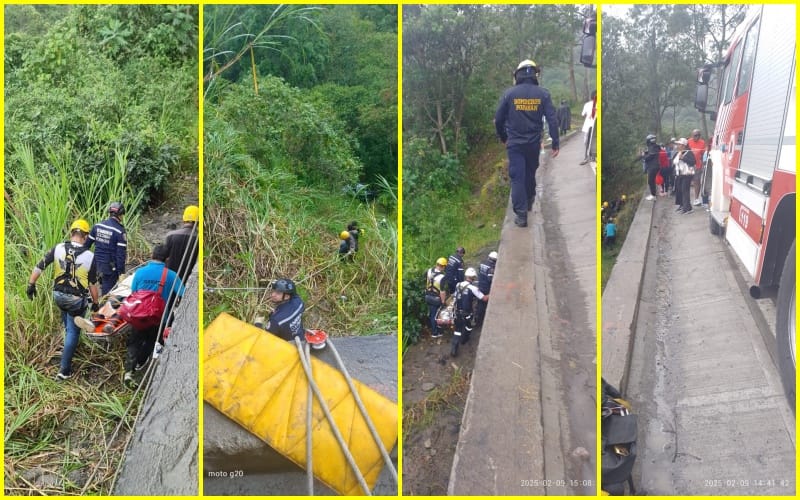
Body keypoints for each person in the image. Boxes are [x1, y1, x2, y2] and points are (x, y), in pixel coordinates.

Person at [27, 219, 99, 380]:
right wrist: (95, 303)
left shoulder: (58, 248)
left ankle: (69, 341)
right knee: (74, 330)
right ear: (86, 237)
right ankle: (64, 370)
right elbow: (93, 284)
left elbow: (40, 266)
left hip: (58, 295)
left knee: (68, 321)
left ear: (71, 233)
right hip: (76, 300)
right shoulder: (90, 256)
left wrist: (31, 284)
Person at [495, 59, 560, 228]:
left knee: (517, 177)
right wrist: (555, 143)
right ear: (535, 75)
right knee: (530, 173)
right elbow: (552, 120)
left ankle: (521, 215)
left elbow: (499, 119)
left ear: (517, 74)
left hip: (515, 144)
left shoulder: (509, 94)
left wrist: (504, 137)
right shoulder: (543, 94)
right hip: (533, 144)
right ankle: (530, 199)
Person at [124, 245, 184, 387]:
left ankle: (129, 371)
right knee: (153, 342)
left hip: (138, 315)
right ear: (167, 259)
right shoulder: (171, 275)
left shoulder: (140, 272)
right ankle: (141, 364)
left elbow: (134, 292)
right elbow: (183, 293)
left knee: (135, 341)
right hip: (160, 318)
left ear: (152, 255)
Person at [88, 201, 127, 297]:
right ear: (120, 215)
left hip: (95, 264)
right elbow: (120, 255)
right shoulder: (119, 231)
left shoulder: (97, 226)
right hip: (110, 268)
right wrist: (121, 272)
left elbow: (86, 246)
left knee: (93, 290)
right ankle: (104, 309)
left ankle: (95, 307)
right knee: (107, 294)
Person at [450, 268, 489, 357]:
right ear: (474, 278)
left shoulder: (458, 285)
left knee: (457, 330)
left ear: (466, 276)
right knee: (468, 327)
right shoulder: (473, 288)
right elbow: (484, 298)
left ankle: (453, 349)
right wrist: (492, 292)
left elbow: (456, 296)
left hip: (457, 312)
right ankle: (464, 340)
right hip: (467, 313)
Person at [255, 278, 306, 342]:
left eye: (278, 293)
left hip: (287, 346)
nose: (273, 295)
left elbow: (264, 339)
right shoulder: (299, 302)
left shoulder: (275, 321)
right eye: (273, 291)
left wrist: (258, 324)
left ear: (287, 296)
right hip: (301, 336)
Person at [164, 205, 199, 284]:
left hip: (168, 279)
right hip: (187, 281)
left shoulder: (170, 235)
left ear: (184, 219)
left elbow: (164, 258)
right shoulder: (198, 238)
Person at [425, 258, 447, 338]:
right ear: (443, 266)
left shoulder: (429, 270)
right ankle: (435, 332)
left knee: (432, 313)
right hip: (435, 299)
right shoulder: (442, 277)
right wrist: (443, 301)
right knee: (436, 315)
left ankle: (436, 330)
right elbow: (442, 292)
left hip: (427, 296)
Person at [673, 138, 696, 214]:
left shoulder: (689, 152)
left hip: (687, 175)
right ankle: (682, 205)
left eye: (679, 144)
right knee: (679, 190)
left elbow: (693, 162)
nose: (677, 145)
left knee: (685, 190)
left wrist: (683, 158)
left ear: (683, 145)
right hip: (679, 174)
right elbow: (674, 161)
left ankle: (688, 208)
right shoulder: (678, 152)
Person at [475, 251, 497, 325]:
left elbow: (479, 273)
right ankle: (480, 321)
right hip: (486, 288)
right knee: (483, 304)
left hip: (480, 285)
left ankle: (477, 318)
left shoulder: (482, 263)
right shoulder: (491, 268)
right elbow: (490, 279)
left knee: (479, 302)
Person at [687, 129, 706, 205]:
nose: (697, 137)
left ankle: (696, 199)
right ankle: (686, 199)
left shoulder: (702, 142)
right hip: (689, 166)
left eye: (698, 135)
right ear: (692, 135)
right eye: (695, 135)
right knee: (687, 182)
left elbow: (703, 154)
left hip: (698, 166)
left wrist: (703, 164)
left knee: (697, 182)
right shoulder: (689, 141)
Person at [640, 134, 661, 201]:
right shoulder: (655, 146)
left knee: (650, 181)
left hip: (652, 166)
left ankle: (653, 195)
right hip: (655, 166)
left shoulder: (652, 147)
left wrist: (643, 156)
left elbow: (649, 157)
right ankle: (653, 194)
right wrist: (646, 153)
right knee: (652, 181)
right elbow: (651, 153)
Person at [580, 90, 596, 165]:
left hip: (589, 125)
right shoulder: (594, 104)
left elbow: (583, 114)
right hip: (593, 125)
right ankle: (591, 156)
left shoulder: (587, 104)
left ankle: (587, 156)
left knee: (586, 141)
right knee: (592, 141)